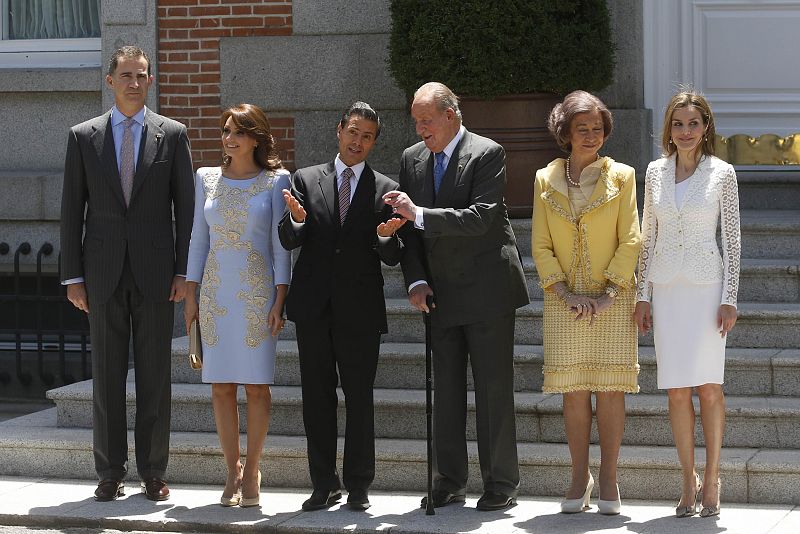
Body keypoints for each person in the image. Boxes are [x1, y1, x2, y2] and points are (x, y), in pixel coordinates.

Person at [383, 82, 529, 512]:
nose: (420, 129)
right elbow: (408, 229)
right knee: (445, 391)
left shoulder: (487, 153)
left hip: (487, 289)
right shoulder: (412, 158)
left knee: (492, 389)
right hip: (439, 292)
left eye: (426, 120)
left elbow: (481, 218)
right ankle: (448, 481)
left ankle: (500, 482)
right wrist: (415, 281)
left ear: (451, 115)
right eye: (416, 121)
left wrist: (419, 213)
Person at [59, 46, 194, 502]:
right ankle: (109, 472)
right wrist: (72, 277)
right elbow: (71, 210)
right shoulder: (83, 136)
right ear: (110, 81)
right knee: (107, 378)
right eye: (126, 75)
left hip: (157, 275)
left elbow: (186, 210)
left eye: (141, 75)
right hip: (101, 274)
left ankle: (153, 472)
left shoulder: (172, 134)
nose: (134, 83)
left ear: (150, 80)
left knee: (155, 378)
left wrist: (184, 270)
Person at [279, 102, 405, 512]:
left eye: (367, 136)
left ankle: (359, 484)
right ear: (339, 130)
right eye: (353, 131)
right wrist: (297, 220)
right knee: (317, 398)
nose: (357, 141)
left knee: (359, 398)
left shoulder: (385, 188)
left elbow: (393, 255)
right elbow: (288, 238)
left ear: (374, 142)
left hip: (360, 310)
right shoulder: (305, 178)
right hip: (314, 306)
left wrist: (386, 236)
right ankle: (323, 484)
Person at [531, 90, 641, 515]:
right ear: (566, 132)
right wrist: (564, 292)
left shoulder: (624, 176)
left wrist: (609, 295)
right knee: (574, 391)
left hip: (613, 298)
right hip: (564, 300)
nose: (591, 135)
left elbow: (631, 238)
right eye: (582, 128)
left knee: (611, 389)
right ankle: (580, 476)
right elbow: (541, 244)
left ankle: (609, 477)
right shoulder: (544, 179)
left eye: (597, 128)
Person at [634, 89, 740, 518]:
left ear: (706, 126)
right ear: (669, 129)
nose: (685, 131)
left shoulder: (723, 173)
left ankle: (712, 477)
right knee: (677, 390)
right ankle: (686, 478)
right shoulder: (655, 172)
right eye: (678, 124)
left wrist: (729, 298)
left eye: (693, 123)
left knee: (709, 387)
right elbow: (647, 237)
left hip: (707, 288)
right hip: (667, 289)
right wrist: (642, 294)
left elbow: (732, 240)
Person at [183, 104, 290, 508]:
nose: (229, 139)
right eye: (226, 131)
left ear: (256, 138)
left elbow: (281, 246)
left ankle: (254, 469)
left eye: (239, 132)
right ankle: (232, 470)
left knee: (257, 387)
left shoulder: (277, 181)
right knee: (221, 387)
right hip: (215, 294)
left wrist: (280, 297)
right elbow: (198, 238)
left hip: (257, 295)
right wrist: (191, 294)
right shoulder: (205, 178)